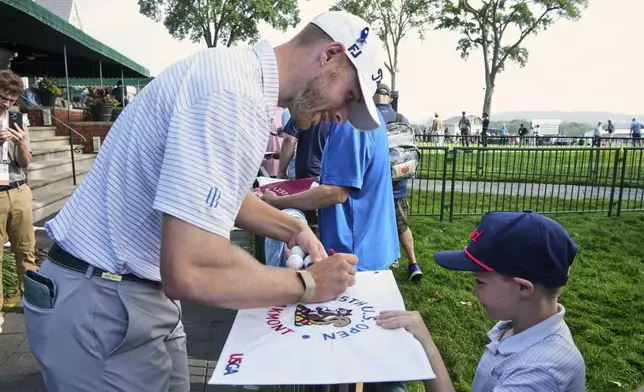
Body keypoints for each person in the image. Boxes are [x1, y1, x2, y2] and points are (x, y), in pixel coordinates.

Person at [23, 11, 386, 392]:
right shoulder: (231, 98)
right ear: (330, 55)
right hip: (104, 304)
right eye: (348, 97)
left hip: (129, 294)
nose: (343, 117)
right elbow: (191, 271)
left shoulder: (238, 80)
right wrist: (308, 283)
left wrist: (294, 229)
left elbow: (208, 195)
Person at [376, 211, 586, 392]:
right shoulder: (518, 325)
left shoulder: (540, 374)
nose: (474, 291)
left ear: (523, 287)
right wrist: (424, 341)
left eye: (480, 281)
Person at [262, 110, 400, 272]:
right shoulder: (366, 115)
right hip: (369, 244)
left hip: (355, 251)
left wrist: (276, 202)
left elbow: (336, 193)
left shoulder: (349, 124)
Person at [0, 70, 37, 333]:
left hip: (19, 189)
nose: (7, 102)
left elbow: (25, 163)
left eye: (12, 98)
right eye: (3, 96)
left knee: (26, 249)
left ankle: (33, 303)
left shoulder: (18, 119)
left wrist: (22, 143)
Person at [373, 83, 422, 281]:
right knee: (401, 224)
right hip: (398, 180)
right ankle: (413, 263)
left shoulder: (368, 117)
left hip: (376, 183)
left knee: (375, 224)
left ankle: (382, 264)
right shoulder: (402, 119)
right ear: (390, 99)